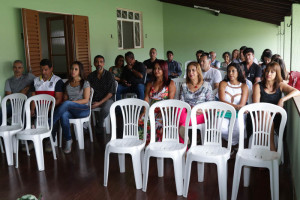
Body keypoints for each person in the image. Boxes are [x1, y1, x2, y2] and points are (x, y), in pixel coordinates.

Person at [253, 61, 300, 151]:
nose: (268, 74)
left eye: (272, 72)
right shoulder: (258, 86)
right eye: (267, 71)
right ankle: (272, 148)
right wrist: (264, 113)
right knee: (264, 114)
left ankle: (260, 153)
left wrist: (282, 99)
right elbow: (256, 107)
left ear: (277, 73)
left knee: (263, 122)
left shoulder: (280, 85)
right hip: (260, 115)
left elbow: (297, 91)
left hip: (276, 117)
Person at [52, 61, 91, 153]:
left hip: (83, 109)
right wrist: (68, 103)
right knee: (63, 115)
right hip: (71, 109)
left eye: (76, 69)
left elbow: (86, 100)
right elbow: (65, 100)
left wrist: (71, 103)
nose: (73, 71)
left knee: (67, 104)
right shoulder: (67, 84)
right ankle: (69, 140)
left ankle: (50, 122)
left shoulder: (85, 83)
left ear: (79, 71)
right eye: (72, 69)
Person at [30, 59, 64, 151]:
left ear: (51, 68)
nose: (43, 72)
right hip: (38, 108)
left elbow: (59, 99)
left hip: (52, 108)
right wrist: (32, 109)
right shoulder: (35, 81)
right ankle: (32, 140)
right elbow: (33, 98)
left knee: (53, 117)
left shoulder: (57, 81)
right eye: (41, 69)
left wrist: (47, 109)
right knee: (27, 115)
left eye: (45, 69)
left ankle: (50, 140)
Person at [139, 60, 176, 145]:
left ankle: (158, 145)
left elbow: (171, 100)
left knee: (159, 122)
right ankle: (146, 144)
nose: (156, 70)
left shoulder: (170, 83)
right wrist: (144, 111)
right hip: (151, 109)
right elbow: (146, 98)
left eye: (159, 68)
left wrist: (163, 111)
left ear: (164, 70)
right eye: (155, 68)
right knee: (142, 120)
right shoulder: (150, 83)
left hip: (165, 109)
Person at [179, 62, 214, 142]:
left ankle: (184, 149)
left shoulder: (206, 85)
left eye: (193, 70)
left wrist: (202, 110)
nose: (190, 73)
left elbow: (211, 103)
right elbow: (181, 102)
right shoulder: (184, 85)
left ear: (198, 71)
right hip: (187, 111)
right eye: (188, 71)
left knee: (179, 122)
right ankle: (183, 133)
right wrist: (190, 109)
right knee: (178, 109)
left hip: (201, 113)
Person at [217, 63, 248, 146]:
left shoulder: (244, 86)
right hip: (224, 111)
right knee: (221, 128)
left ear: (238, 72)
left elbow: (242, 104)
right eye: (229, 71)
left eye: (233, 71)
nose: (230, 73)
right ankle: (230, 143)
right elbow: (222, 100)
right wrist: (236, 107)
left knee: (238, 129)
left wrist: (238, 107)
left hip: (238, 113)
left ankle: (232, 145)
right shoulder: (223, 83)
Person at [88, 55, 115, 127]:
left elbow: (110, 93)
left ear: (103, 64)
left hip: (107, 99)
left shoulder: (109, 75)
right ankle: (85, 126)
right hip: (95, 99)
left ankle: (99, 123)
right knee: (83, 106)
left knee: (105, 109)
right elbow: (88, 90)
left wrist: (99, 103)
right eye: (96, 62)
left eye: (101, 62)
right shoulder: (91, 76)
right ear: (94, 63)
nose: (99, 64)